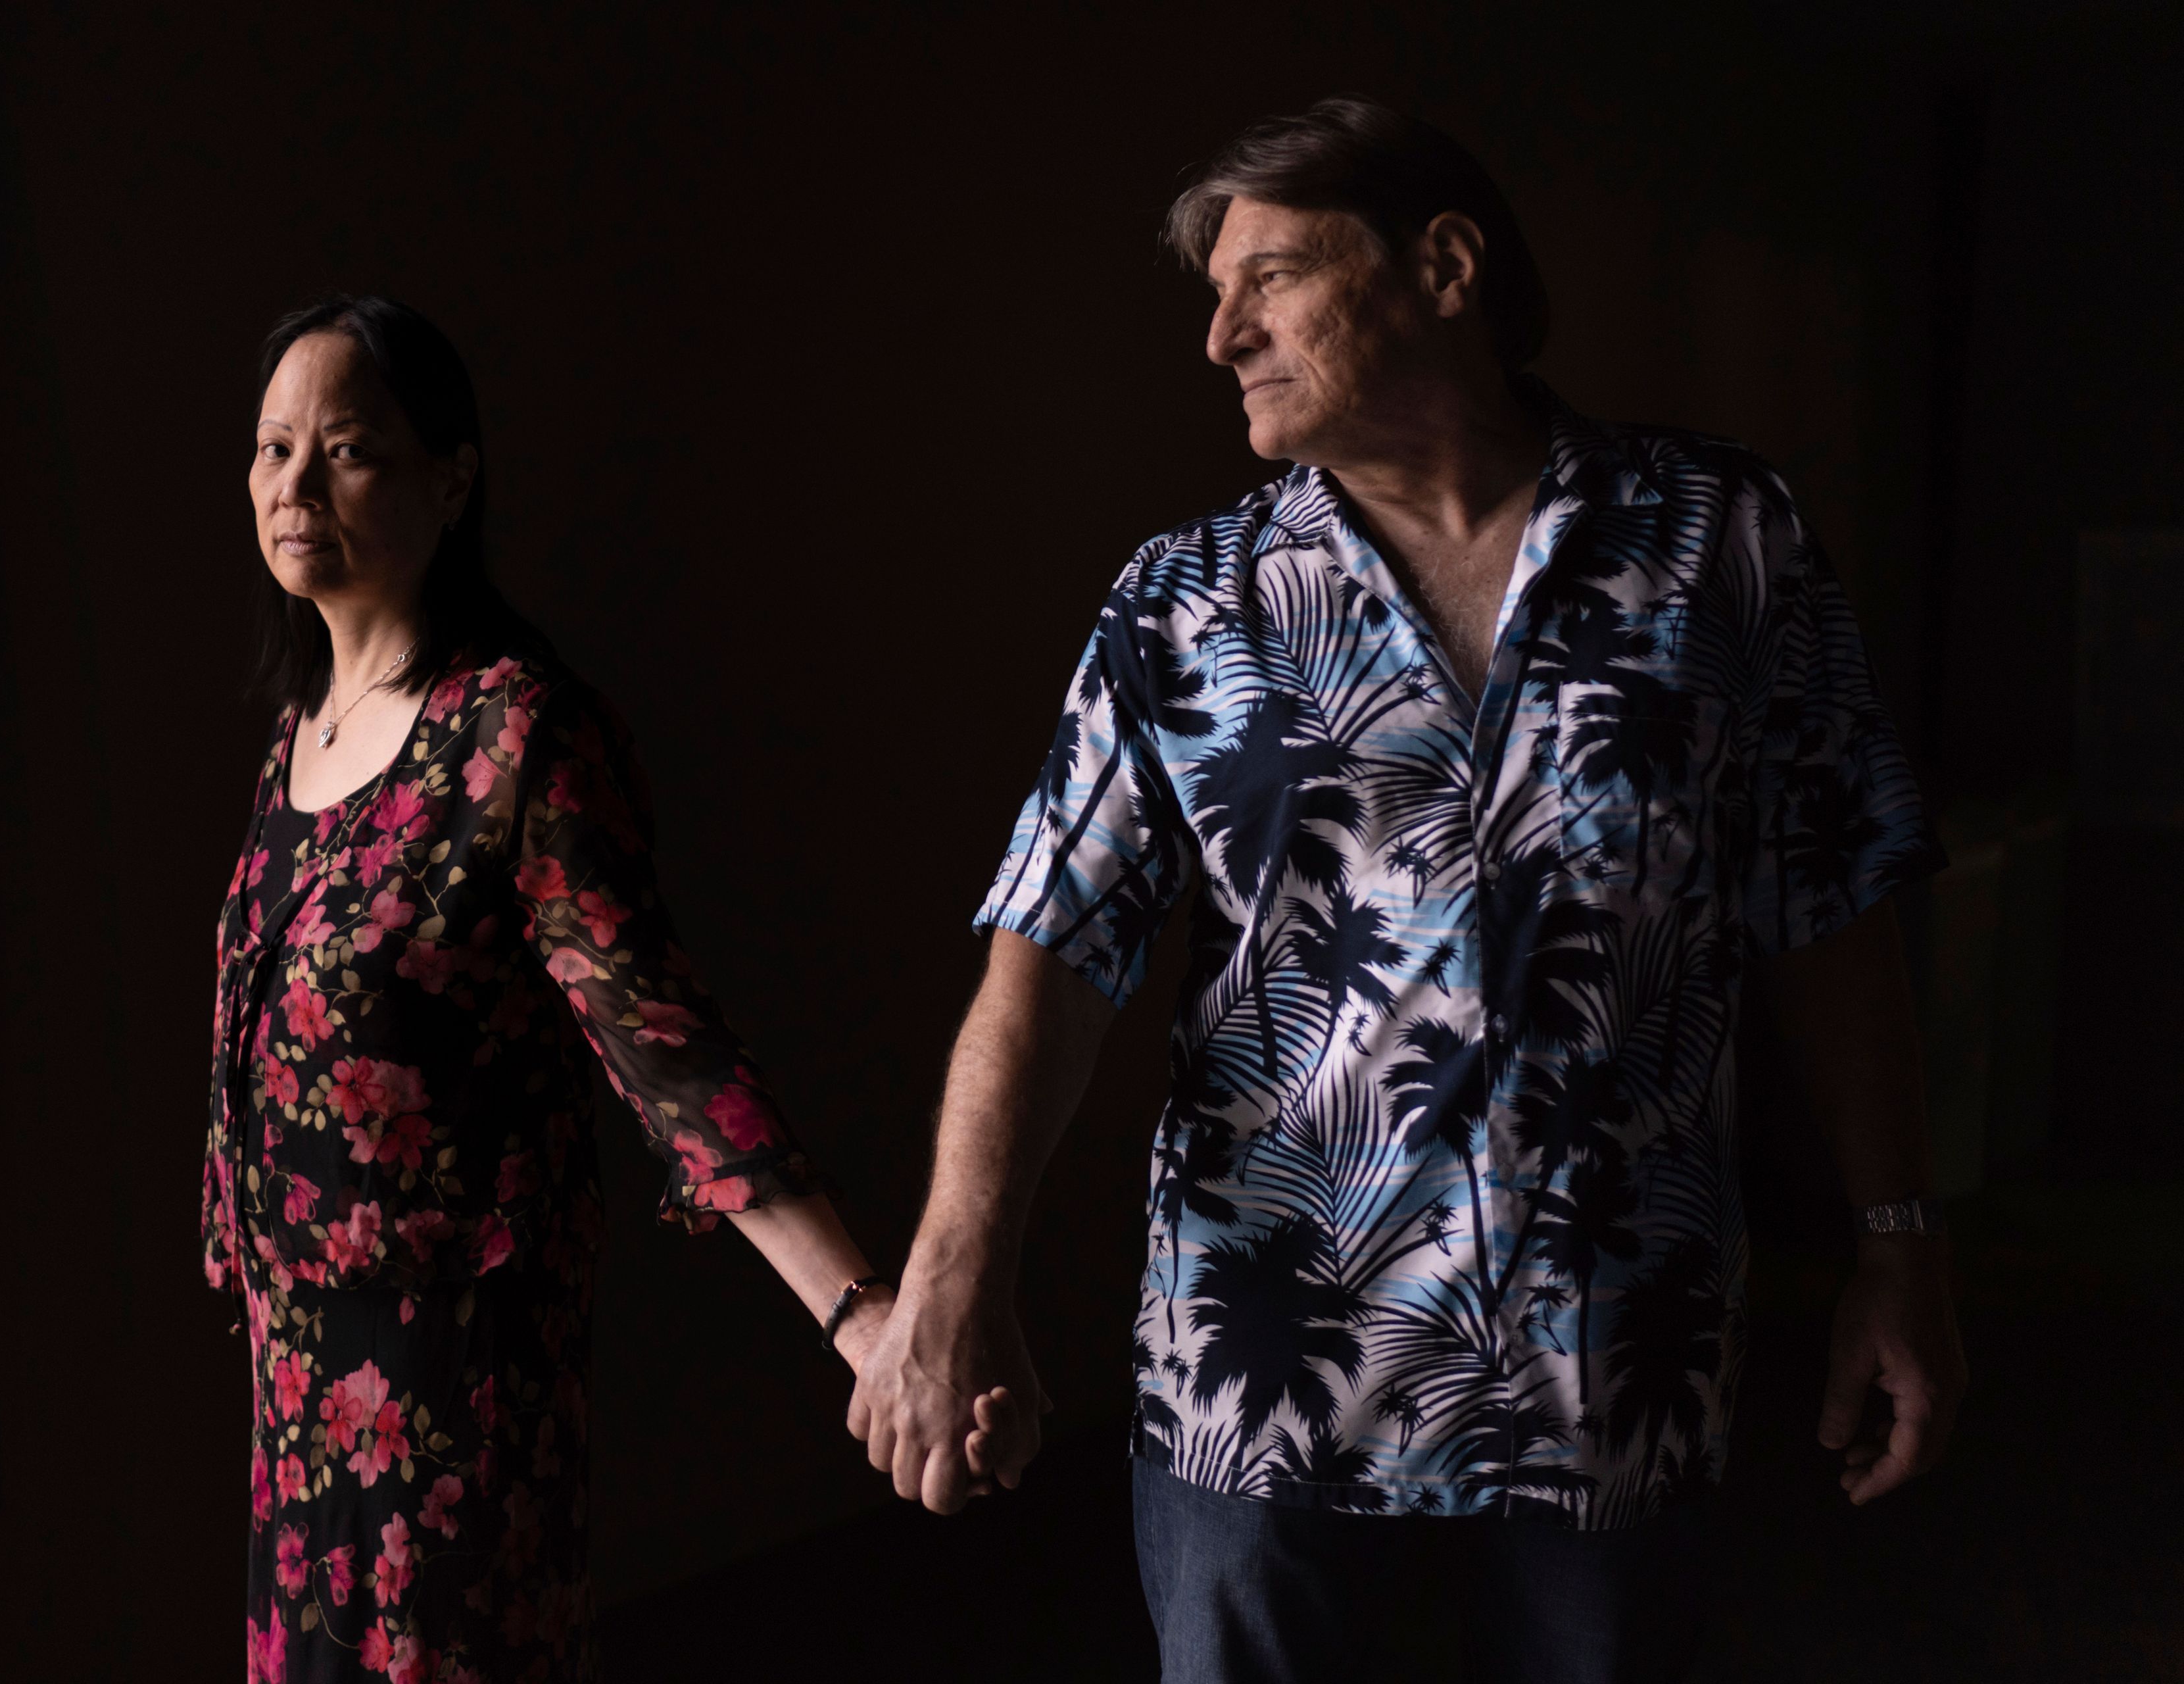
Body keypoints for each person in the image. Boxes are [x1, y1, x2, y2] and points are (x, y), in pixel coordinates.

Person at [848, 97, 1968, 1681]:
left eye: (1273, 279)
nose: (1224, 334)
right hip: (1265, 1380)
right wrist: (955, 1275)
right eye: (1214, 297)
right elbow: (1049, 950)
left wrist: (1900, 1242)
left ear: (1445, 266)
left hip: (1616, 1368)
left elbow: (1831, 902)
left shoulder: (1721, 540)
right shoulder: (1184, 602)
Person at [205, 295, 893, 1683]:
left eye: (345, 451)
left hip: (447, 1394)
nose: (294, 486)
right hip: (299, 1377)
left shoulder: (519, 732)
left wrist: (859, 1313)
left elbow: (667, 1046)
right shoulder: (305, 732)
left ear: (452, 478)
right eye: (274, 449)